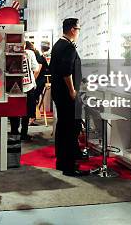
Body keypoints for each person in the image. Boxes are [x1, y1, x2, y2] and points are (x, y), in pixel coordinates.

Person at [50, 18, 87, 177]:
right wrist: (72, 90)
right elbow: (66, 71)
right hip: (66, 94)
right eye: (78, 29)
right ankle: (70, 166)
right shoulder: (68, 47)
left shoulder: (58, 45)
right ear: (73, 30)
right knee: (72, 127)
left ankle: (62, 161)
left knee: (64, 126)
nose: (78, 32)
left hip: (59, 92)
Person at [10, 41, 40, 140]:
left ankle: (14, 131)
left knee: (15, 110)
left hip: (15, 87)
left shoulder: (11, 52)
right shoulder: (30, 53)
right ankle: (23, 133)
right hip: (28, 86)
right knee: (26, 112)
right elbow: (35, 68)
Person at [31, 43, 50, 126]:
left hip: (40, 81)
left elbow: (38, 70)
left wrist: (33, 80)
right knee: (35, 98)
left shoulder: (40, 58)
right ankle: (32, 117)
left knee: (33, 99)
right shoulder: (48, 56)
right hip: (45, 80)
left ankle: (31, 118)